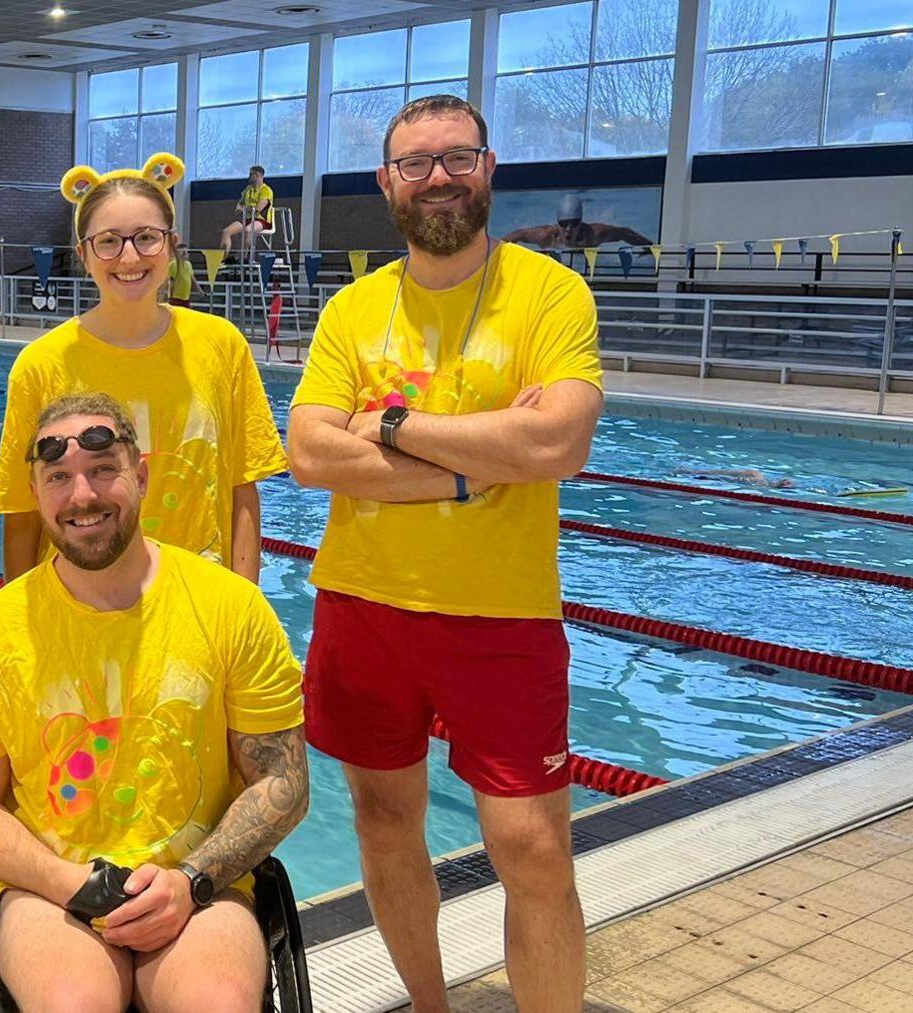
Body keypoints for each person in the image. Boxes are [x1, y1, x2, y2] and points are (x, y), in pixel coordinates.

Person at [286, 94, 604, 1013]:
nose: (438, 179)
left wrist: (388, 425)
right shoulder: (354, 307)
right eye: (416, 164)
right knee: (386, 825)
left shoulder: (548, 292)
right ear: (388, 182)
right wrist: (470, 469)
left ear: (488, 167)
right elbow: (309, 453)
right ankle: (430, 1007)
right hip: (364, 604)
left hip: (502, 614)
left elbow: (559, 444)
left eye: (456, 159)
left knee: (535, 847)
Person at [0, 392, 310, 1013]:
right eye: (58, 476)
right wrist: (75, 884)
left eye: (103, 469)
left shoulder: (230, 608)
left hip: (202, 887)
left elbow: (284, 782)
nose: (82, 495)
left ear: (141, 477)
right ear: (36, 494)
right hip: (54, 887)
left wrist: (190, 882)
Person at [0, 153, 286, 583]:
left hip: (198, 600)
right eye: (109, 241)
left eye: (147, 237)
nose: (129, 257)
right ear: (84, 254)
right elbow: (23, 510)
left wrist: (243, 604)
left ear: (171, 244)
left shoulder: (221, 345)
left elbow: (242, 490)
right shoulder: (42, 363)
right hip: (78, 605)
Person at [501, 194, 654, 251]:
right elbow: (516, 235)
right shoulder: (545, 236)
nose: (568, 229)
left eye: (573, 224)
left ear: (580, 222)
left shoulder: (594, 234)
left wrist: (649, 248)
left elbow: (624, 232)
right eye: (563, 224)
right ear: (557, 223)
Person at [220, 165, 275, 258]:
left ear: (257, 175)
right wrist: (241, 207)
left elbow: (258, 209)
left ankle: (242, 257)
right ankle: (223, 258)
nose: (249, 176)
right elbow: (239, 204)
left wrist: (243, 209)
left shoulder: (266, 190)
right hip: (247, 220)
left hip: (261, 220)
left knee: (248, 230)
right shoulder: (247, 189)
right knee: (226, 231)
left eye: (251, 174)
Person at [168, 239, 196, 309]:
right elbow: (171, 282)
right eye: (183, 251)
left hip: (186, 297)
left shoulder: (188, 264)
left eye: (186, 251)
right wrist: (170, 296)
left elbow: (192, 279)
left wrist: (200, 291)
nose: (185, 253)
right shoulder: (174, 264)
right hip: (176, 297)